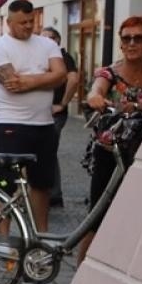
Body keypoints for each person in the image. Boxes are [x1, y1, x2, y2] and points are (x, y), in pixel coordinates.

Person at [77, 16, 142, 263]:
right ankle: (81, 273)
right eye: (126, 38)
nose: (131, 43)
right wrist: (95, 96)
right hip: (111, 154)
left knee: (137, 217)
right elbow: (97, 89)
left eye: (138, 38)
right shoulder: (110, 74)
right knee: (97, 217)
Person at [0, 0, 66, 233]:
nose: (28, 26)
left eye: (31, 21)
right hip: (10, 124)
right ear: (9, 22)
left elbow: (61, 75)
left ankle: (41, 235)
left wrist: (28, 80)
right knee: (5, 183)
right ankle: (3, 240)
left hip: (44, 124)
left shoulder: (48, 44)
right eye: (22, 22)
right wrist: (46, 77)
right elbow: (12, 84)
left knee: (42, 184)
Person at [41, 28, 80, 209]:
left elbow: (73, 80)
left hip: (54, 113)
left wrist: (63, 104)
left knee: (46, 151)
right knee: (47, 152)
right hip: (42, 112)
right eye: (42, 38)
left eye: (49, 38)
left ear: (57, 40)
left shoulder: (63, 57)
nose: (45, 41)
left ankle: (50, 195)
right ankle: (52, 194)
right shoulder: (45, 57)